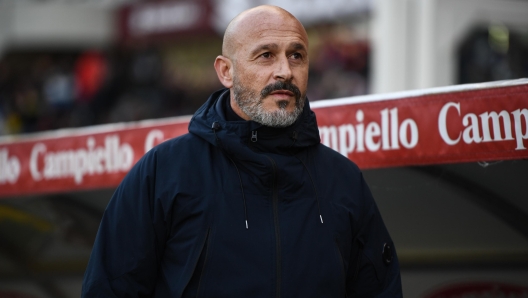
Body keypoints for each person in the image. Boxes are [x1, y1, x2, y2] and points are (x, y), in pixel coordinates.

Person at [82, 5, 402, 297]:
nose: (285, 71)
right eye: (265, 55)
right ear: (226, 72)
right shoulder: (165, 172)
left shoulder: (343, 180)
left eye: (297, 56)